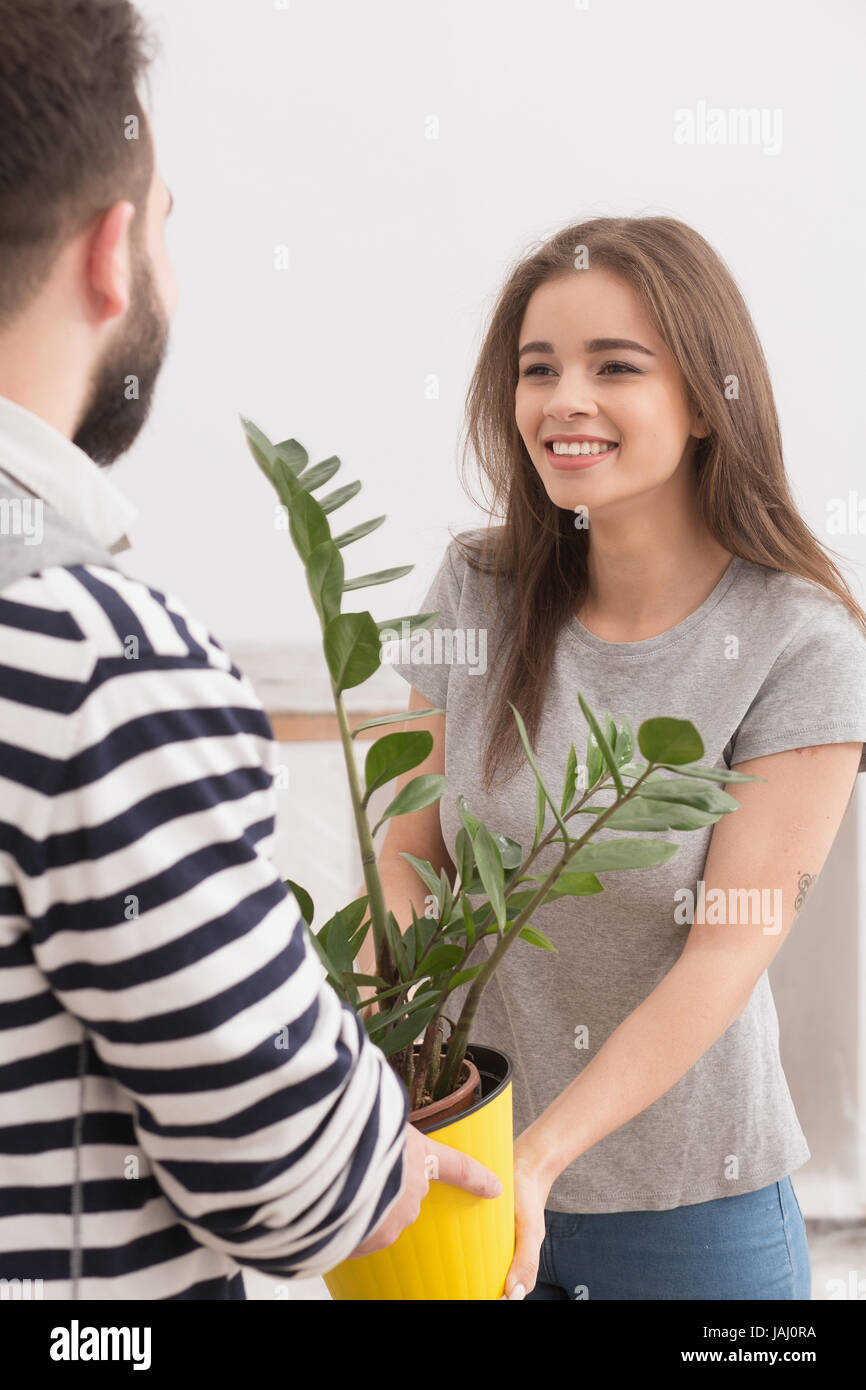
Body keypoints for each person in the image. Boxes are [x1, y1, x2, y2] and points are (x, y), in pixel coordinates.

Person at [0, 0, 501, 1301]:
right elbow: (280, 1164)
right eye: (168, 218)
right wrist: (380, 1158)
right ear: (113, 251)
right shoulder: (94, 654)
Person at [374, 215, 866, 1299]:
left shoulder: (800, 640)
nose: (563, 400)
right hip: (458, 1173)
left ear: (701, 399)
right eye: (536, 367)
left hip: (691, 1216)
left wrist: (540, 1158)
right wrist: (395, 1070)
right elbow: (405, 850)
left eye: (614, 367)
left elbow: (725, 952)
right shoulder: (476, 589)